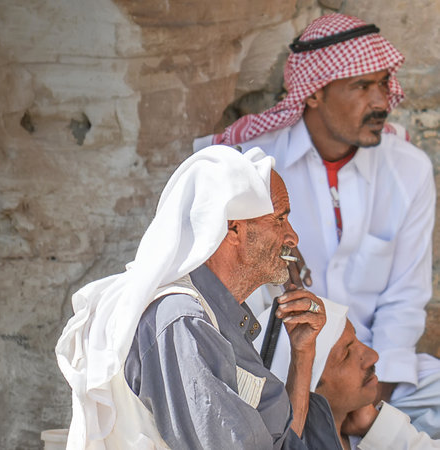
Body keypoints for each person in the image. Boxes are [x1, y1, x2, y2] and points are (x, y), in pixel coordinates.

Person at [194, 13, 439, 436]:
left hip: (374, 368)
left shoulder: (409, 170)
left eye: (383, 83)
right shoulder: (255, 168)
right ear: (313, 94)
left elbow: (405, 297)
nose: (381, 101)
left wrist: (371, 395)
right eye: (361, 87)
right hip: (282, 365)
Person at [56, 145, 341, 449]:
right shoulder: (183, 320)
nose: (292, 237)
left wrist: (303, 354)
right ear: (234, 228)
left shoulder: (217, 317)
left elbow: (280, 440)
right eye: (280, 219)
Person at [254, 299, 440, 449]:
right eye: (346, 355)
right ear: (307, 388)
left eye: (357, 339)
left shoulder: (370, 434)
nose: (372, 356)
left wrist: (377, 428)